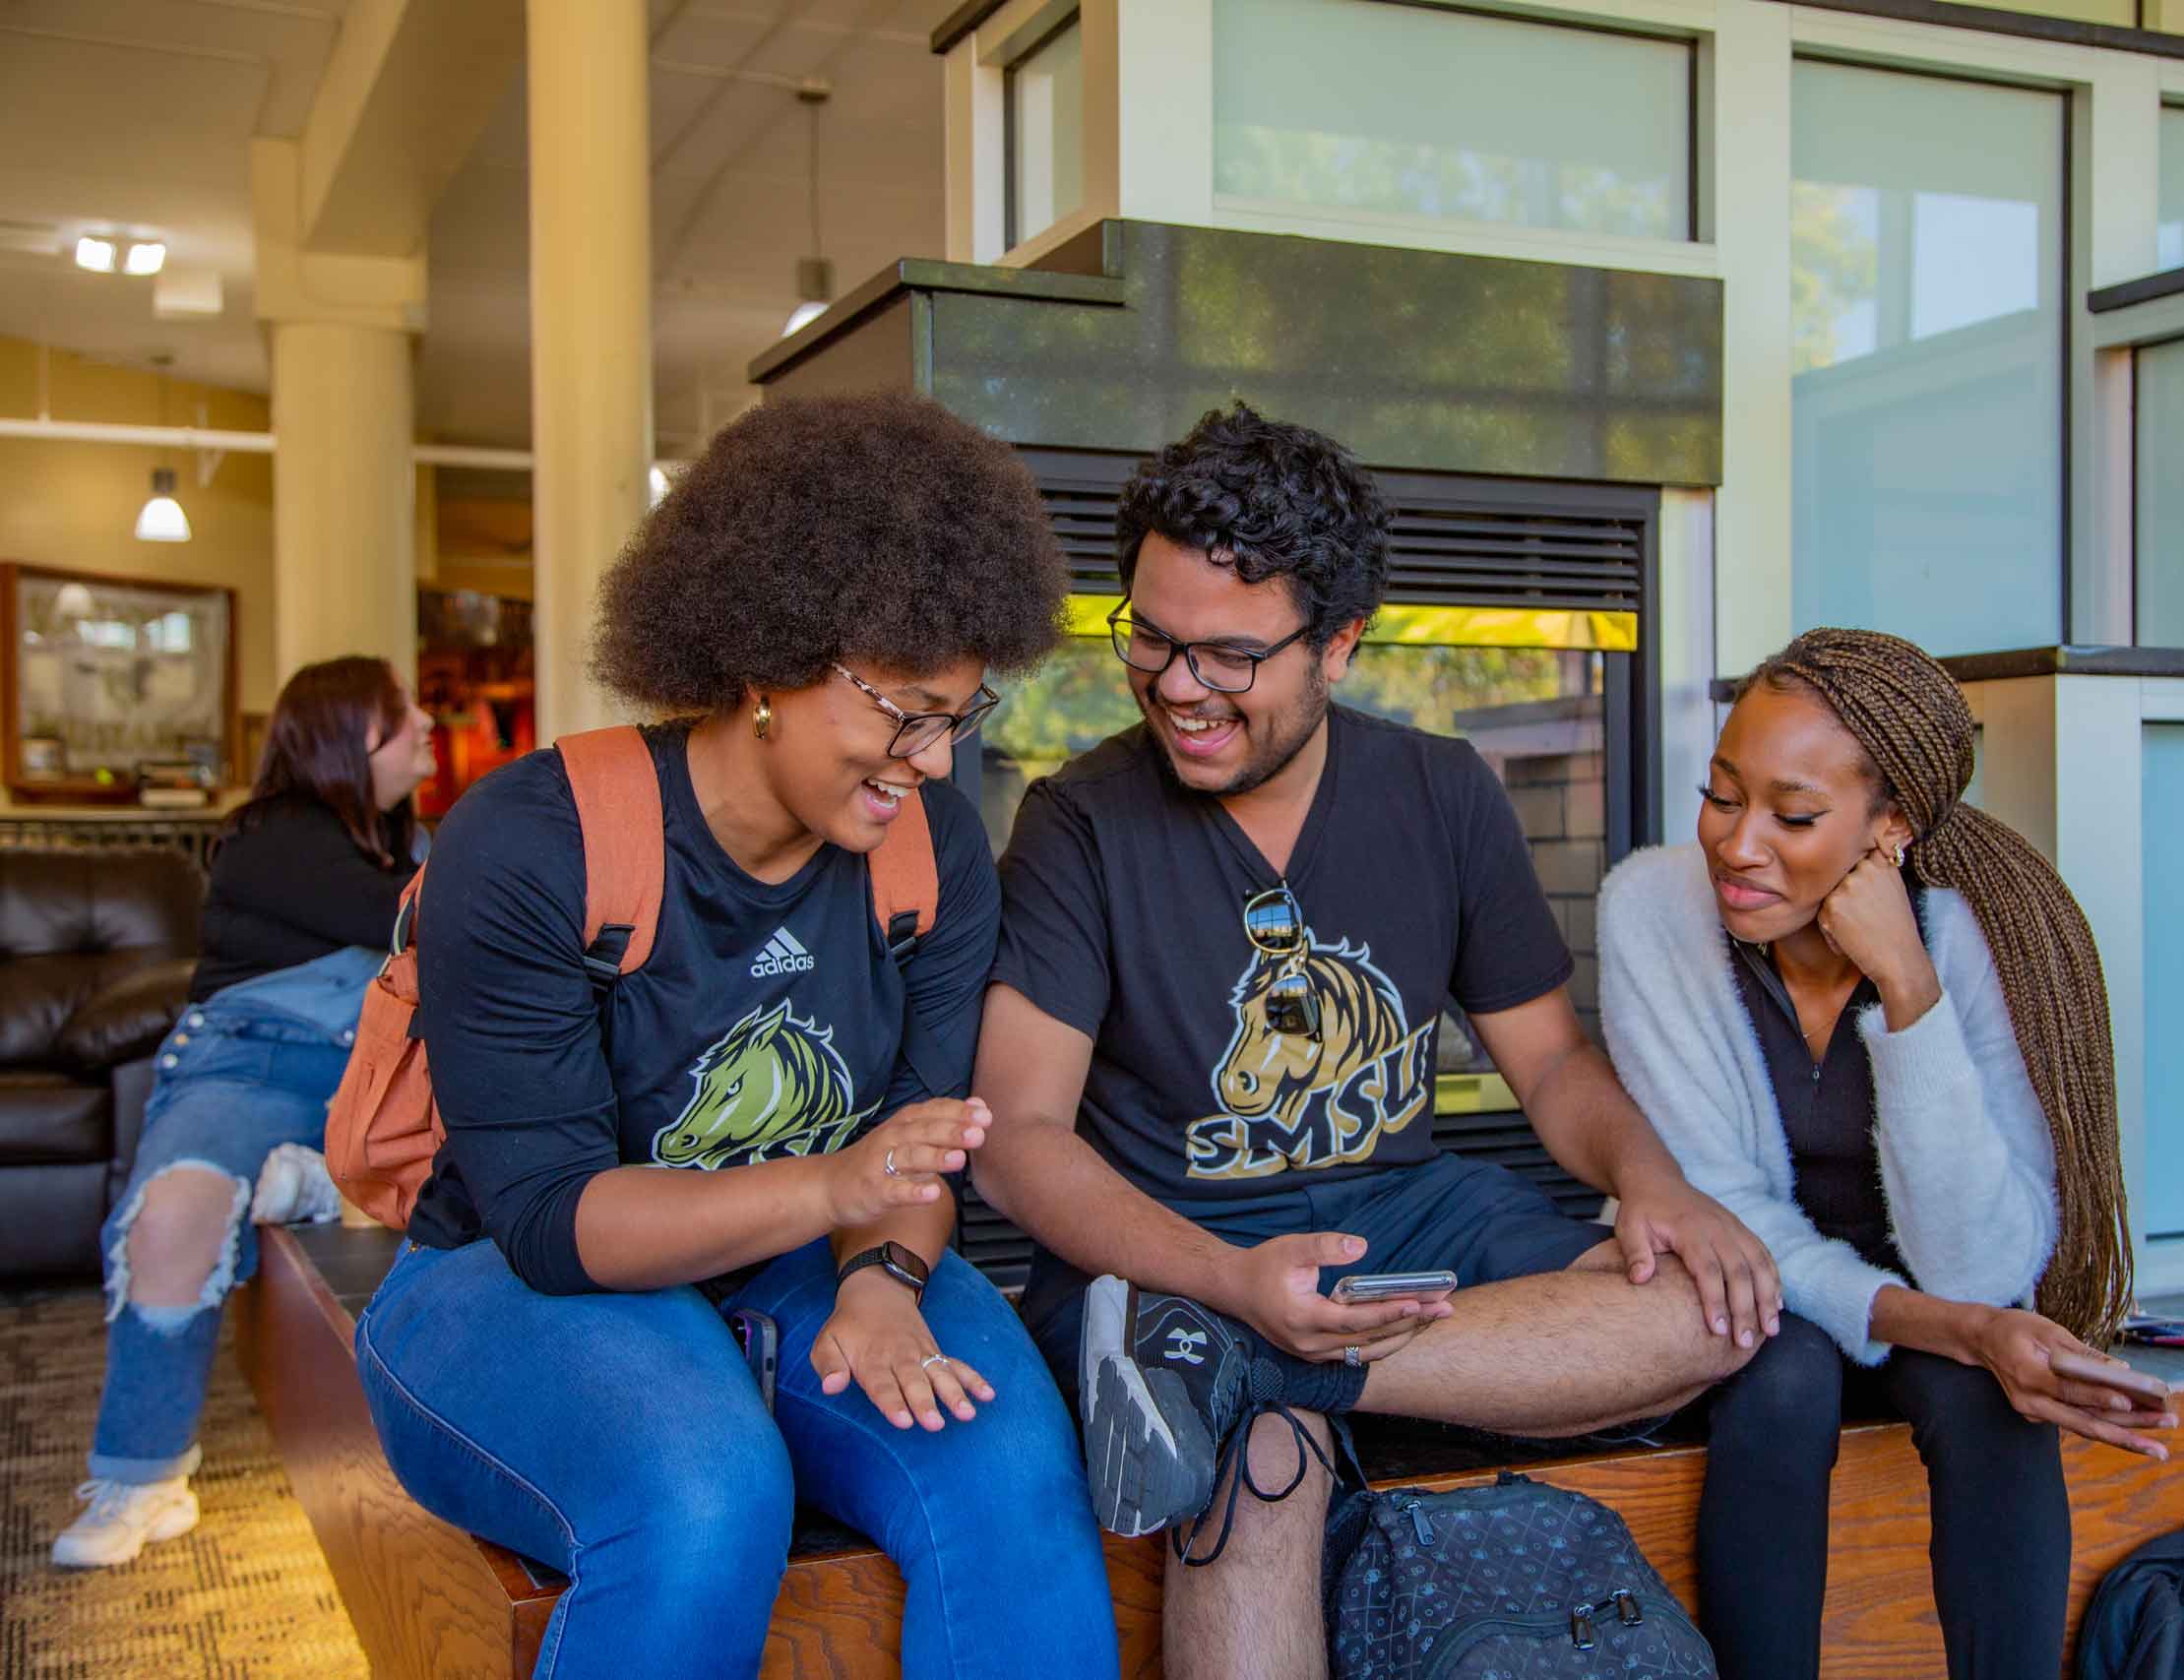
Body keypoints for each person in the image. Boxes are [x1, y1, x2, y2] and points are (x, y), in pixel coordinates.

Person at [972, 404, 1772, 1680]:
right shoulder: (1079, 821)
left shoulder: (1444, 791)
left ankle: (1251, 1371)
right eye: (1153, 638)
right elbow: (1016, 1139)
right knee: (1257, 1473)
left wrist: (1653, 1181)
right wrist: (1228, 1281)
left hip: (1396, 1220)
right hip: (1171, 1254)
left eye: (1229, 655)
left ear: (1338, 643)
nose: (1177, 684)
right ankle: (1229, 1372)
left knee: (1709, 1310)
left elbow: (1551, 1064)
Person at [351, 393, 1120, 1680]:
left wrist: (881, 1284)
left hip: (811, 1259)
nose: (936, 759)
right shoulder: (536, 841)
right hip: (509, 1280)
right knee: (706, 1492)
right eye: (904, 710)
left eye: (959, 714)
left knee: (1008, 1472)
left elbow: (914, 1149)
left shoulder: (929, 854)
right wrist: (833, 1187)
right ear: (768, 663)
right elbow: (548, 1221)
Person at [1596, 627, 2177, 1680]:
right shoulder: (1653, 912)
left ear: (1891, 827)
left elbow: (1980, 1266)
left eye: (1794, 816)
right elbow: (1723, 1213)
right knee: (1780, 1373)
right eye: (1721, 795)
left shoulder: (1982, 937)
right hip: (1735, 1284)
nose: (1737, 844)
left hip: (1928, 1292)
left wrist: (1911, 990)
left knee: (1990, 1396)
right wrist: (1965, 1327)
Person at [54, 654, 435, 1568]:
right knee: (173, 1210)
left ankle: (320, 1170)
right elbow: (411, 921)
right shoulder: (272, 834)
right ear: (354, 732)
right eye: (404, 710)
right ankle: (142, 1475)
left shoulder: (415, 846)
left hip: (381, 1071)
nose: (428, 721)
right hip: (252, 1066)